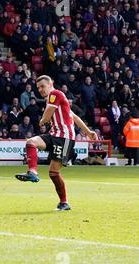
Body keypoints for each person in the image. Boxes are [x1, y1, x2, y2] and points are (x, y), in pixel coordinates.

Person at [15, 75, 96, 211]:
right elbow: (74, 116)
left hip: (64, 138)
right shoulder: (55, 98)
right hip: (55, 135)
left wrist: (42, 120)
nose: (40, 89)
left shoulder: (55, 94)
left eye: (42, 86)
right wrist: (88, 131)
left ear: (50, 84)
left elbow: (47, 115)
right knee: (31, 143)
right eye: (38, 87)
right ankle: (33, 172)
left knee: (53, 172)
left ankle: (64, 202)